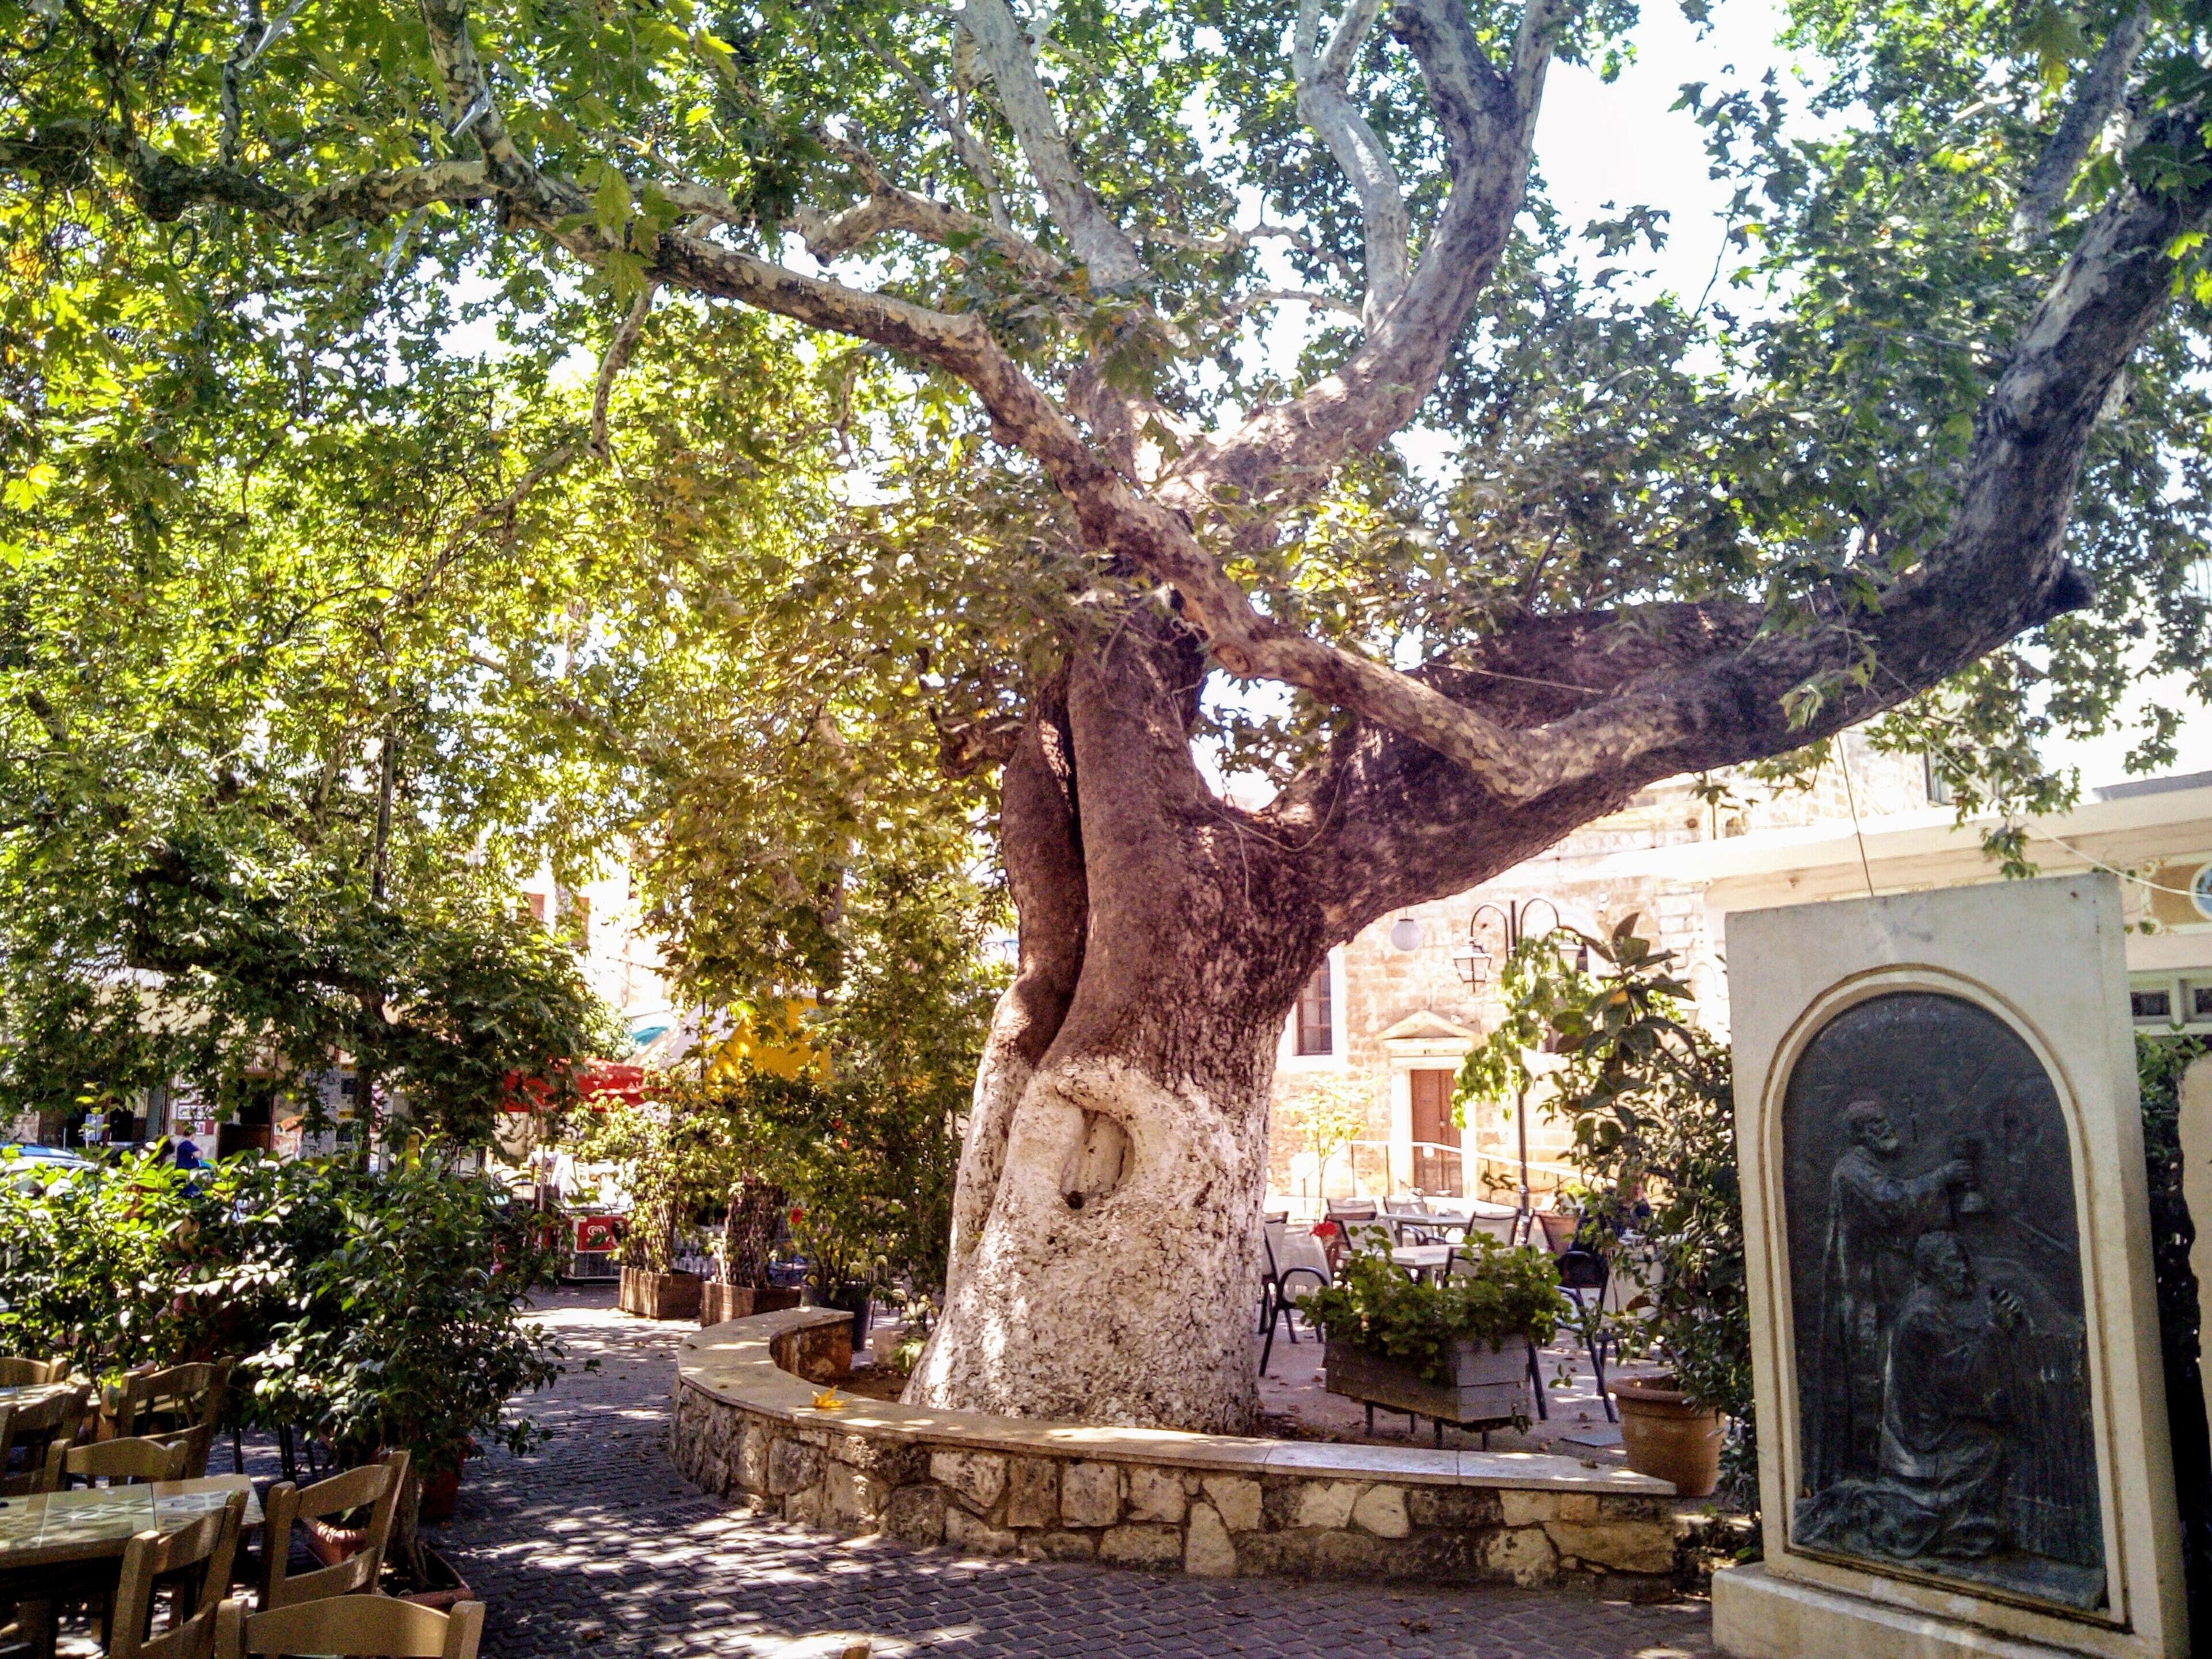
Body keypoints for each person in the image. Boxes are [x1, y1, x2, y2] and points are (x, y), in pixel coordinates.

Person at [1810, 1097, 1974, 1487]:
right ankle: (1871, 1472)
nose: (1886, 1129)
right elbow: (1893, 1202)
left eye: (1885, 1121)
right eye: (1875, 1125)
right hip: (1865, 1297)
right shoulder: (1851, 1171)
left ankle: (1899, 1467)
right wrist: (1943, 1177)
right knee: (1871, 1379)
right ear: (1860, 1135)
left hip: (1886, 1289)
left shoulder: (1871, 1167)